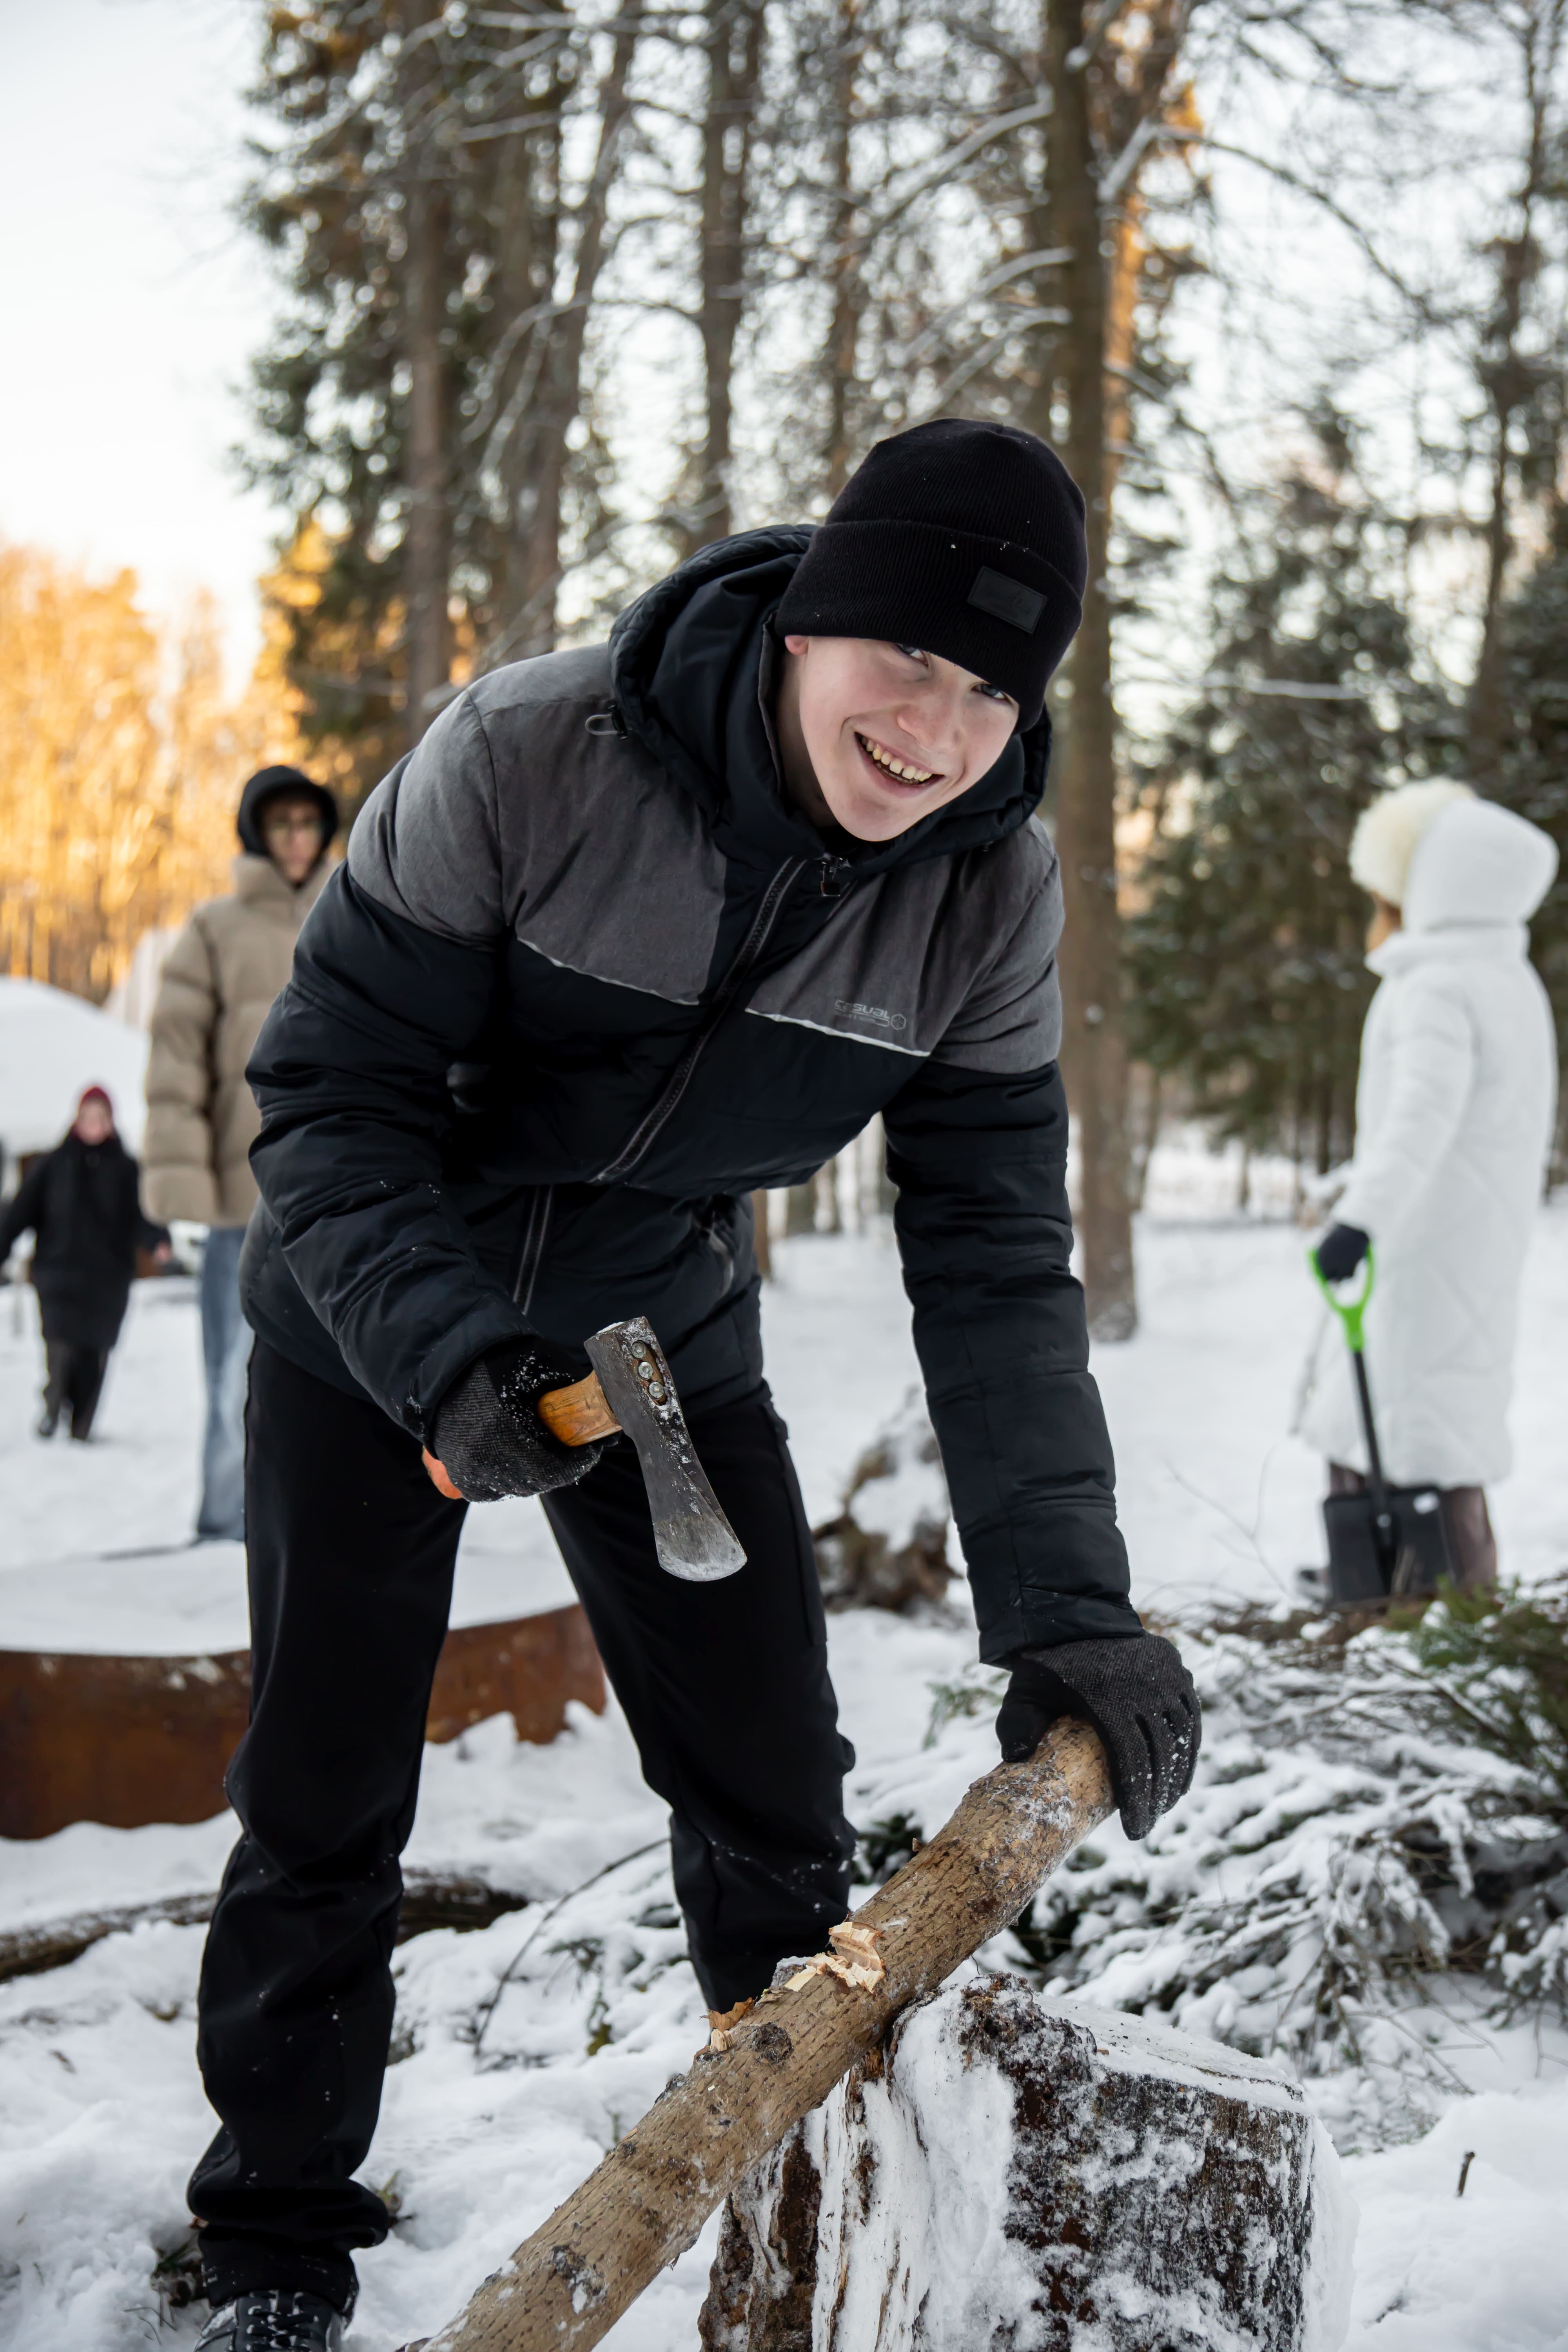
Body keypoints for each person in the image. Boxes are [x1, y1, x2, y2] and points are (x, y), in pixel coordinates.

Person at [186, 421, 1201, 2352]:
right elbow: (326, 1101)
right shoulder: (529, 754)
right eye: (903, 653)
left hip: (657, 1348)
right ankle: (271, 2246)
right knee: (326, 1790)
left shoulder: (984, 890)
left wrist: (1068, 1612)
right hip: (373, 1333)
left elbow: (992, 1255)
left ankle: (817, 2202)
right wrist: (442, 1354)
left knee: (769, 1788)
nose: (936, 724)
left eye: (994, 685)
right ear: (813, 619)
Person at [1305, 781, 1559, 1590]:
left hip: (1416, 1256)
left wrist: (1359, 1219)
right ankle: (1453, 1610)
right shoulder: (1504, 981)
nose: (1378, 912)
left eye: (1387, 895)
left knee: (1393, 1427)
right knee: (1437, 1434)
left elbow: (1421, 1119)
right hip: (1467, 1245)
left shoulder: (1436, 986)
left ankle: (1391, 1605)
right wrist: (1359, 1183)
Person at [142, 766, 339, 1541]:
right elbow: (176, 1056)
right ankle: (225, 1522)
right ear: (257, 832)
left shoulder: (352, 912)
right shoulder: (214, 928)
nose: (296, 837)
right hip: (241, 1194)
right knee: (232, 1373)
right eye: (281, 823)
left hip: (338, 1193)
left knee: (345, 1373)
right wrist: (180, 1178)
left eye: (308, 822)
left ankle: (320, 1524)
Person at [0, 1086, 169, 1441]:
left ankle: (82, 1424)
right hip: (57, 1274)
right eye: (88, 1117)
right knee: (61, 1347)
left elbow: (143, 1214)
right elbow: (20, 1212)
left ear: (110, 1122)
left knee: (94, 1354)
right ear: (77, 1119)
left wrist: (158, 1241)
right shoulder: (53, 1164)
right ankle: (53, 1402)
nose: (94, 1125)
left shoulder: (126, 1169)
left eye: (101, 1118)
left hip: (106, 1279)